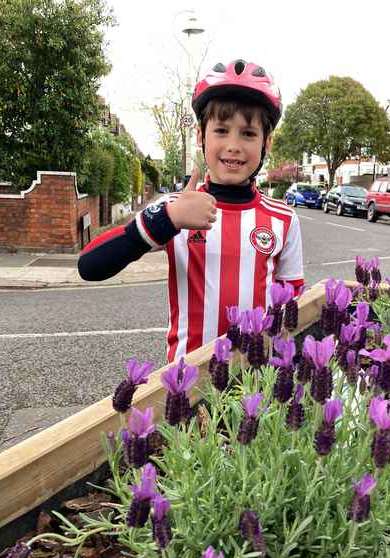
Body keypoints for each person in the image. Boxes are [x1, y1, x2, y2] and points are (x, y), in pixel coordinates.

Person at [78, 59, 304, 361]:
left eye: (248, 134)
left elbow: (294, 308)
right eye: (221, 130)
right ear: (201, 136)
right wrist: (166, 221)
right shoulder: (174, 209)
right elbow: (89, 266)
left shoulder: (283, 219)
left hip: (259, 384)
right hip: (186, 383)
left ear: (267, 143)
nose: (234, 145)